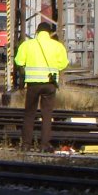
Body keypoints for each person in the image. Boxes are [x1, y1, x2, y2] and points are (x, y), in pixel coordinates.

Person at [14, 21, 69, 152]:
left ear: (37, 32)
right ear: (49, 33)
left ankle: (26, 145)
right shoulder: (57, 46)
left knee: (29, 114)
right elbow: (63, 64)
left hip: (33, 84)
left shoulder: (27, 45)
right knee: (46, 115)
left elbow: (18, 61)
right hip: (50, 84)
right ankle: (44, 145)